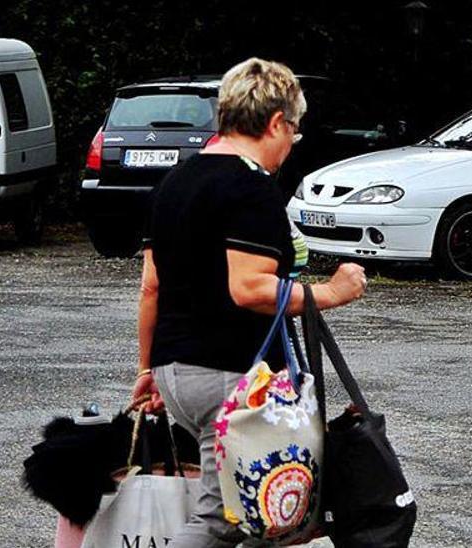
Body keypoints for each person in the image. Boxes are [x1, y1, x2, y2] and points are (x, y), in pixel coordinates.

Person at [129, 58, 367, 548]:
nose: (290, 145)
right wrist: (332, 293)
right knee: (224, 519)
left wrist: (148, 369)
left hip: (178, 372)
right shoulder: (250, 186)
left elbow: (152, 286)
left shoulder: (176, 181)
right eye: (294, 132)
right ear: (277, 121)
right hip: (230, 375)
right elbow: (252, 289)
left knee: (266, 514)